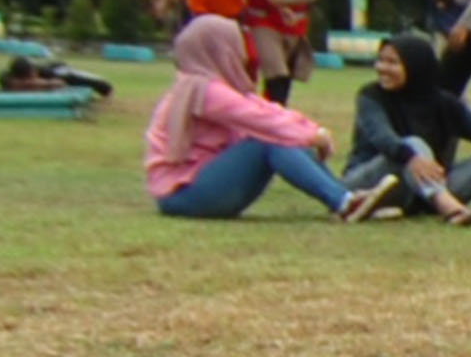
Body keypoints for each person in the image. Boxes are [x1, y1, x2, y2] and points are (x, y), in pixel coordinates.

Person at [141, 17, 368, 222]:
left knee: (280, 136)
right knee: (268, 140)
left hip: (197, 186)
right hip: (183, 194)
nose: (241, 53)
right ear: (218, 49)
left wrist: (311, 131)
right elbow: (259, 120)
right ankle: (343, 201)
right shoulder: (204, 90)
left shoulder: (206, 85)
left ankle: (346, 197)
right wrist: (311, 136)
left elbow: (268, 110)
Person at [341, 30, 471, 223]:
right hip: (370, 182)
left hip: (425, 186)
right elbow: (382, 137)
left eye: (392, 62)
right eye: (381, 60)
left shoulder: (444, 103)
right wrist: (411, 157)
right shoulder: (371, 96)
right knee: (413, 144)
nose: (382, 68)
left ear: (415, 66)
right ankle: (447, 207)